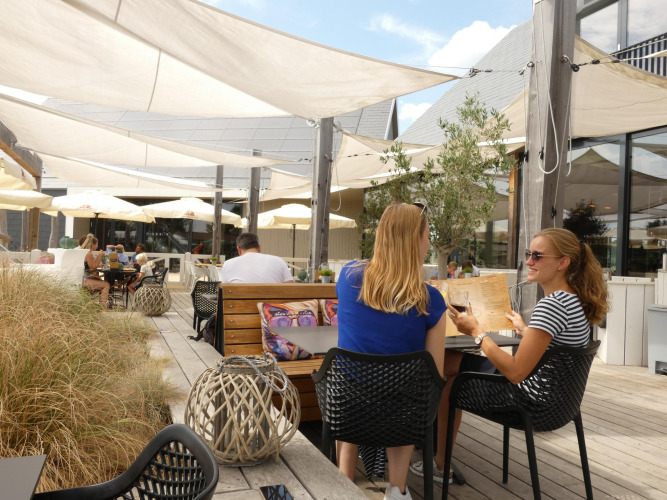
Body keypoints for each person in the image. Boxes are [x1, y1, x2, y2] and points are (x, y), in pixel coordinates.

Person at [410, 228, 608, 485]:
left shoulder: (552, 304)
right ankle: (435, 452)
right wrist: (527, 331)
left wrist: (477, 331)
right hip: (560, 403)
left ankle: (436, 459)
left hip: (530, 403)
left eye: (537, 256)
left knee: (445, 372)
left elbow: (515, 372)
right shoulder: (573, 300)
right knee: (449, 364)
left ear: (563, 263)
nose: (528, 261)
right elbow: (553, 352)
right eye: (529, 254)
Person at [336, 203, 447, 500]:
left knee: (353, 384)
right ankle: (397, 490)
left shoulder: (348, 277)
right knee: (410, 394)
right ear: (415, 240)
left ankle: (344, 484)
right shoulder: (431, 299)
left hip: (346, 406)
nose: (429, 242)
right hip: (402, 413)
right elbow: (435, 372)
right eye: (427, 235)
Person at [221, 233, 293, 283]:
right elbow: (290, 288)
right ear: (259, 248)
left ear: (239, 249)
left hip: (240, 305)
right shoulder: (278, 260)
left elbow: (225, 292)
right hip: (271, 305)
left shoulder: (228, 264)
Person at [80, 234, 111, 308]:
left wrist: (98, 263)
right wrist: (100, 256)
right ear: (93, 244)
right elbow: (93, 267)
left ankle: (91, 304)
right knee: (106, 285)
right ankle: (103, 307)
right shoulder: (88, 254)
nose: (97, 246)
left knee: (99, 279)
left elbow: (90, 266)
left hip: (83, 278)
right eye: (97, 244)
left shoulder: (84, 252)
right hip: (83, 280)